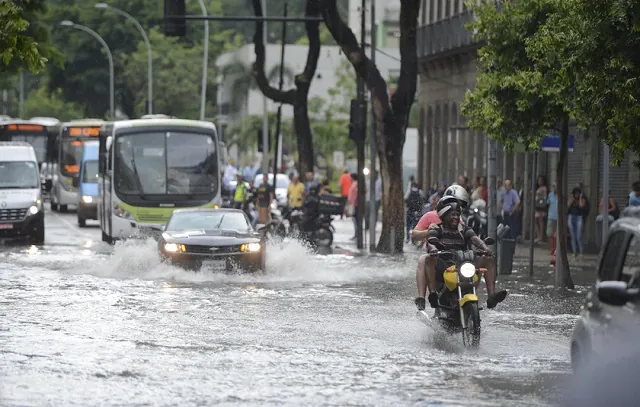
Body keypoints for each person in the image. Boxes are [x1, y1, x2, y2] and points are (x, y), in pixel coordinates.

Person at [413, 191, 507, 311]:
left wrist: (485, 249)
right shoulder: (436, 229)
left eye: (458, 214)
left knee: (488, 259)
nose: (456, 217)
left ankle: (492, 295)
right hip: (444, 266)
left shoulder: (464, 229)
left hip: (463, 265)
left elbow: (475, 239)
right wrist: (434, 250)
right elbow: (431, 243)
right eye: (452, 215)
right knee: (428, 259)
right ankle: (433, 294)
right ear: (444, 215)